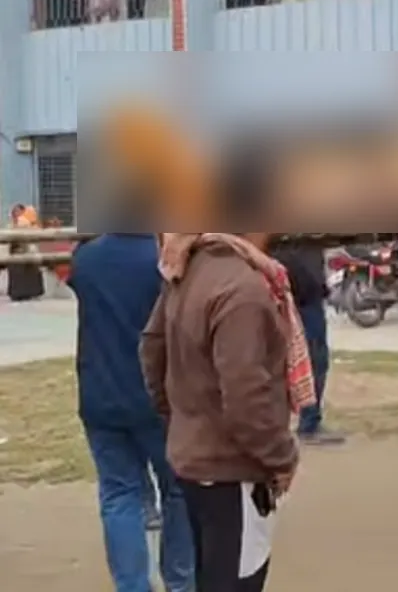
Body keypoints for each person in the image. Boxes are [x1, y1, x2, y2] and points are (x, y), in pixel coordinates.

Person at [141, 233, 315, 592]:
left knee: (213, 576)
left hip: (196, 460)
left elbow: (151, 351)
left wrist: (180, 421)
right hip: (231, 469)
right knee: (236, 580)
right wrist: (281, 457)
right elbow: (246, 397)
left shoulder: (188, 269)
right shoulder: (242, 289)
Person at [69, 233, 194, 592]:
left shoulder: (87, 259)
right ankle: (180, 581)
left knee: (118, 494)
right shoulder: (165, 260)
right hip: (159, 397)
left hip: (101, 393)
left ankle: (132, 585)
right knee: (178, 490)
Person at [272, 240, 345, 445]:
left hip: (306, 295)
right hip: (288, 294)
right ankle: (302, 424)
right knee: (308, 360)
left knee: (315, 360)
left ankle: (308, 422)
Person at [5, 204, 45, 301]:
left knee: (29, 272)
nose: (16, 213)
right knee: (16, 274)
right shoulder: (10, 224)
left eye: (18, 211)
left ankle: (31, 293)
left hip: (26, 250)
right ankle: (17, 293)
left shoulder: (25, 222)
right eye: (14, 211)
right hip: (14, 251)